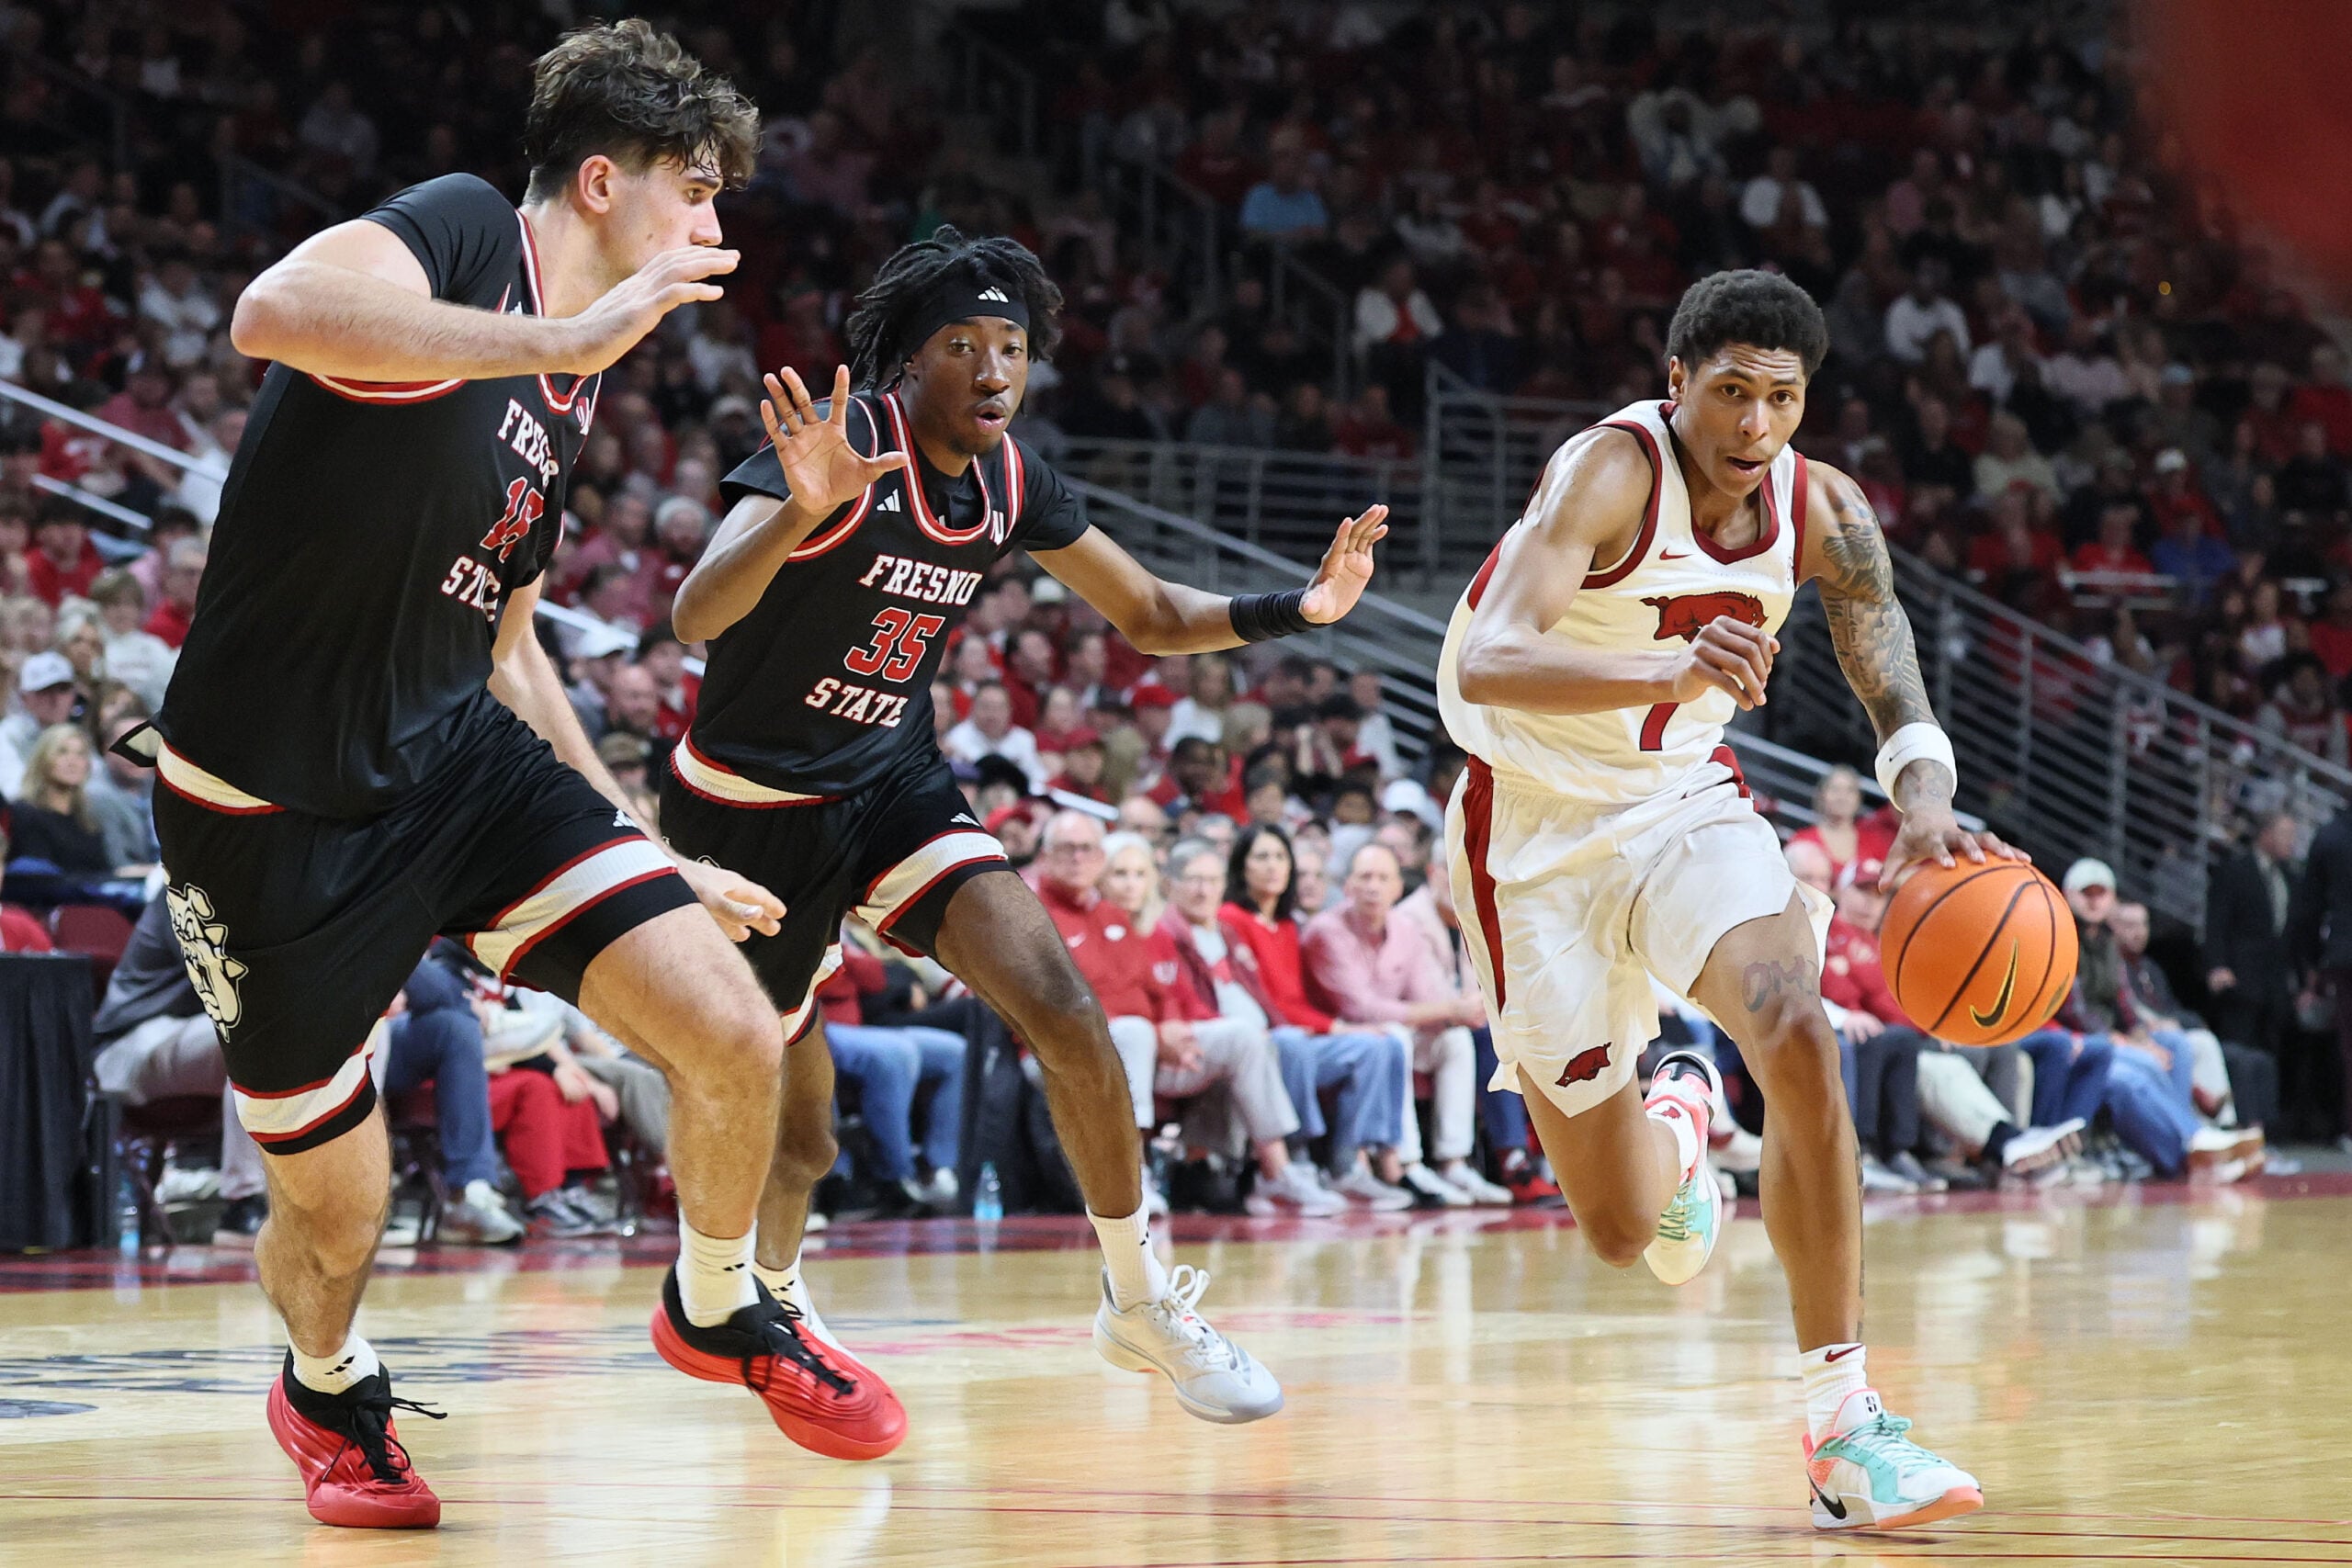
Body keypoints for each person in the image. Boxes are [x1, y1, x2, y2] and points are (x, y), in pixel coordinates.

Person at [134, 24, 876, 1529]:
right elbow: (273, 312)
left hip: (454, 762)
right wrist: (561, 344)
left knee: (735, 1027)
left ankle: (717, 1300)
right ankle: (325, 1380)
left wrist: (638, 834)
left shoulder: (576, 382)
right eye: (699, 194)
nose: (715, 232)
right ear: (601, 182)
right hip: (268, 811)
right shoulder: (471, 233)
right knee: (337, 1217)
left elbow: (512, 640)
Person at [663, 224, 1392, 1435]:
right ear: (909, 360)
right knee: (793, 1140)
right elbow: (697, 613)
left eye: (1011, 345)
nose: (993, 368)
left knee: (1063, 1004)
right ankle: (764, 1305)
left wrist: (1297, 607)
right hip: (749, 809)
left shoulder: (1011, 482)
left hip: (892, 784)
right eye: (963, 345)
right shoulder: (844, 445)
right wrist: (797, 510)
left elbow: (1153, 613)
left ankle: (1140, 1294)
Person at [1438, 271, 1997, 1529]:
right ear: (1678, 378)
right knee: (1625, 1230)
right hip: (1528, 828)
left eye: (1783, 398)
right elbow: (1487, 653)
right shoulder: (1609, 472)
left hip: (1684, 797)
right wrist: (1667, 658)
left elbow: (1881, 650)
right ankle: (1683, 1121)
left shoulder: (1824, 508)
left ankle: (1845, 1427)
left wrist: (1921, 795)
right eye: (1732, 390)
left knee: (1797, 1023)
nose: (1756, 423)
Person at [1302, 841, 1488, 1205]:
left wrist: (1457, 1011)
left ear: (1397, 888)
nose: (1373, 886)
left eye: (1383, 878)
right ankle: (1406, 1164)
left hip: (1389, 1032)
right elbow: (1361, 1009)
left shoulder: (1404, 929)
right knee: (1395, 1038)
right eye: (1365, 877)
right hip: (1337, 1038)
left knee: (1455, 1041)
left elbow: (1427, 995)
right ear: (1347, 886)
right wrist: (1452, 1008)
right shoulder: (1326, 931)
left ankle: (1454, 1162)